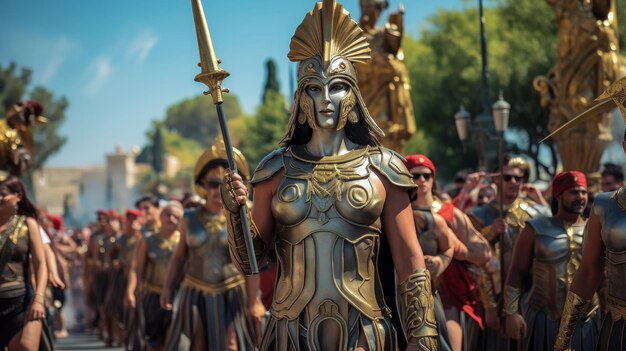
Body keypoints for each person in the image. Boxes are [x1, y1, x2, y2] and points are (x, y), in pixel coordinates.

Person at [223, 1, 438, 349]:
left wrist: (423, 335)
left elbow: (410, 260)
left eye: (336, 86)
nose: (326, 98)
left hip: (364, 335)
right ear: (300, 98)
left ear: (352, 96)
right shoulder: (274, 170)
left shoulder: (384, 168)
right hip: (290, 334)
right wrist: (234, 213)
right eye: (313, 88)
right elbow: (252, 260)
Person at [161, 140, 264, 350]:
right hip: (195, 292)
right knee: (197, 345)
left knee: (232, 345)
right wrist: (168, 288)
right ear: (203, 185)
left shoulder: (245, 216)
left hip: (232, 292)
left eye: (224, 183)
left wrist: (254, 300)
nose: (219, 190)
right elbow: (179, 256)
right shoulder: (188, 218)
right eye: (212, 183)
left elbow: (252, 262)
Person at [504, 171, 600, 350]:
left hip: (586, 321)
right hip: (544, 318)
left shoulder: (596, 229)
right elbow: (517, 271)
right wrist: (511, 312)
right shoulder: (535, 228)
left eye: (583, 192)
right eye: (573, 192)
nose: (580, 197)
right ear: (558, 195)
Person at [405, 154, 491, 351]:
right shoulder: (396, 213)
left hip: (446, 296)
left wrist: (455, 249)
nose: (421, 180)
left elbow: (484, 253)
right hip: (404, 294)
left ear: (433, 178)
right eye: (415, 176)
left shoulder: (450, 213)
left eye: (426, 175)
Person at [467, 156, 551, 349]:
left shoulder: (536, 212)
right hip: (494, 295)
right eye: (507, 178)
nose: (513, 182)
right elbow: (476, 262)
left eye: (518, 178)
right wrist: (489, 233)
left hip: (529, 295)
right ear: (496, 179)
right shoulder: (478, 214)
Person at [554, 132, 626, 350]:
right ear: (625, 146)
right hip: (620, 327)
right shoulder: (605, 205)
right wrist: (563, 340)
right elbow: (588, 273)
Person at [355, 0, 415, 153]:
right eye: (365, 6)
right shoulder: (353, 37)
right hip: (360, 98)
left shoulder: (383, 36)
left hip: (384, 98)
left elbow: (396, 62)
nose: (369, 12)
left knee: (386, 137)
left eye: (374, 8)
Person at [126, 201, 182, 351]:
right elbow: (136, 268)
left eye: (176, 217)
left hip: (176, 297)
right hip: (152, 296)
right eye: (168, 214)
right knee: (154, 344)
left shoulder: (183, 240)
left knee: (172, 339)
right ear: (161, 215)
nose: (171, 219)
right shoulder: (147, 240)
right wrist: (130, 292)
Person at [0, 175, 48, 350]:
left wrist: (39, 299)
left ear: (18, 196)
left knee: (26, 348)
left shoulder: (28, 224)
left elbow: (41, 264)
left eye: (2, 193)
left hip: (20, 303)